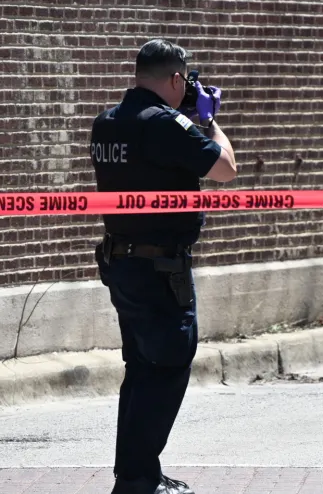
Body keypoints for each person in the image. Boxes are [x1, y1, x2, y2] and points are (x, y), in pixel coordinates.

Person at [89, 38, 237, 494]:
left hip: (121, 261)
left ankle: (134, 474)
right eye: (184, 82)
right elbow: (226, 168)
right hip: (159, 269)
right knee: (169, 364)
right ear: (175, 79)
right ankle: (137, 480)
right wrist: (208, 118)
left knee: (140, 367)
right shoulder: (167, 123)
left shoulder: (107, 122)